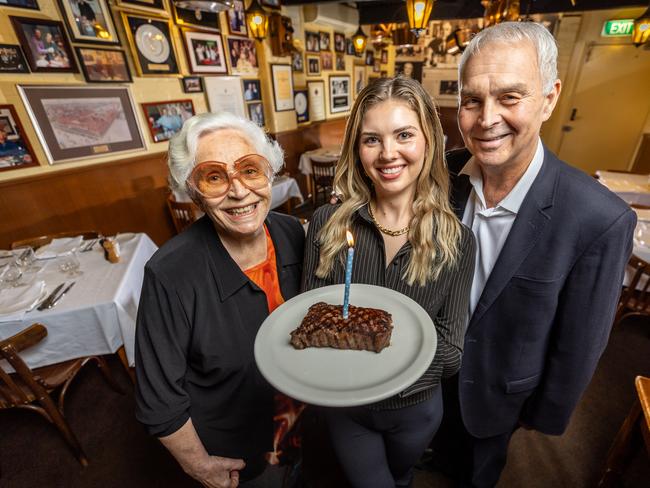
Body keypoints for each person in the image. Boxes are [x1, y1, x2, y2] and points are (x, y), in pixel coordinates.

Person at [431, 21, 637, 487]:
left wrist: (543, 415)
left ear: (549, 98)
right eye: (471, 100)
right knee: (438, 456)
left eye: (509, 97)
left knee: (475, 472)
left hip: (499, 397)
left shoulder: (598, 219)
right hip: (430, 377)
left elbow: (580, 345)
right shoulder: (441, 177)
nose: (486, 119)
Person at [302, 76, 476, 488]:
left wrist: (388, 372)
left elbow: (451, 349)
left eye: (403, 135)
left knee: (401, 478)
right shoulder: (327, 224)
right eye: (371, 140)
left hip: (417, 411)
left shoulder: (456, 241)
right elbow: (310, 321)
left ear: (429, 141)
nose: (388, 153)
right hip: (347, 409)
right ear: (356, 149)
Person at [135, 112, 305, 487]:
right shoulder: (170, 274)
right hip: (239, 452)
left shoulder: (293, 232)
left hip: (306, 423)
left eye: (250, 169)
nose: (239, 191)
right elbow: (159, 401)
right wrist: (199, 466)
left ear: (270, 174)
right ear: (192, 191)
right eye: (214, 177)